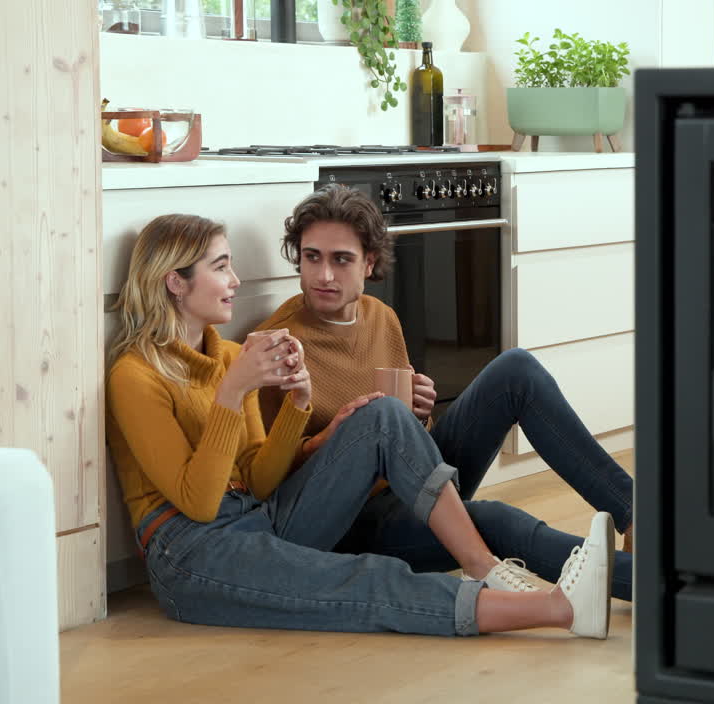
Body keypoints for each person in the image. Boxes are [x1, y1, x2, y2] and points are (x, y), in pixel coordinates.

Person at [105, 213, 615, 638]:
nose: (236, 280)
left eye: (341, 259)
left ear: (368, 265)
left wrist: (296, 406)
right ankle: (561, 609)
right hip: (192, 549)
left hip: (263, 516)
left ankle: (521, 569)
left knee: (387, 416)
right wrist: (235, 394)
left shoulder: (231, 355)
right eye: (221, 267)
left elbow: (257, 481)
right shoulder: (135, 376)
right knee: (365, 580)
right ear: (176, 281)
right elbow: (196, 502)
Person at [252, 185, 636, 600]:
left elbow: (406, 438)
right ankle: (659, 580)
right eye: (312, 257)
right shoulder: (278, 344)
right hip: (355, 523)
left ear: (370, 263)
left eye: (341, 259)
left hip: (413, 487)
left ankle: (636, 516)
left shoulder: (381, 318)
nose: (324, 275)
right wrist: (328, 440)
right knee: (496, 521)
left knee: (516, 369)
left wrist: (420, 415)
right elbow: (268, 481)